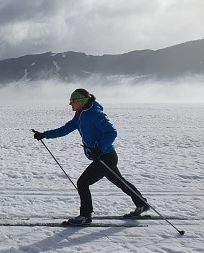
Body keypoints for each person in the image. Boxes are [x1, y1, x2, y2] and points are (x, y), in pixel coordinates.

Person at [33, 88, 149, 225]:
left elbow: (111, 132)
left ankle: (85, 216)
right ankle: (141, 203)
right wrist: (44, 135)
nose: (70, 104)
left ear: (81, 101)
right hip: (104, 156)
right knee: (120, 182)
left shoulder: (95, 114)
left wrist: (99, 148)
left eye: (72, 101)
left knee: (82, 183)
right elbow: (65, 129)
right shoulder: (79, 115)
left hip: (105, 156)